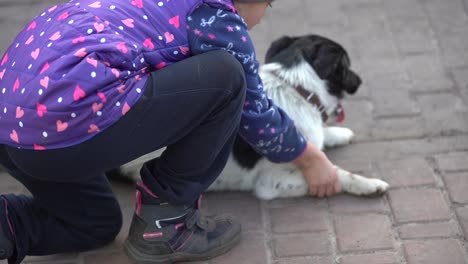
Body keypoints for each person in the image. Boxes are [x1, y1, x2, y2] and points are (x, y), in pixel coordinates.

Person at [0, 0, 341, 263]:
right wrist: (311, 159)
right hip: (64, 129)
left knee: (93, 224)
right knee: (226, 78)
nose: (262, 17)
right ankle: (166, 222)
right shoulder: (214, 18)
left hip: (14, 125)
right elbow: (256, 115)